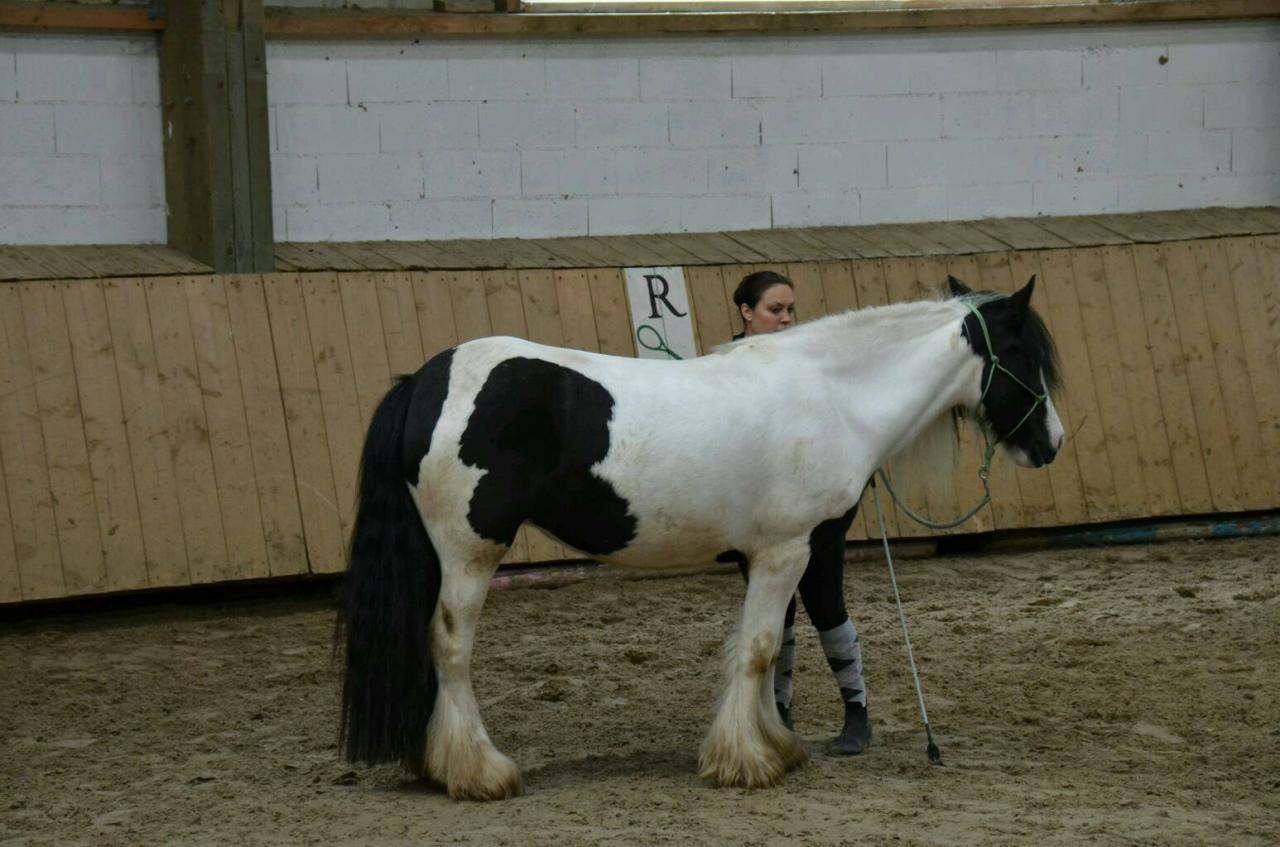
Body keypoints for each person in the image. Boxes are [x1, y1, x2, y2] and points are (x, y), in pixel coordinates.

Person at [728, 270, 872, 756]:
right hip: (757, 514)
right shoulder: (724, 365)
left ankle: (857, 712)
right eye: (776, 310)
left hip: (818, 510)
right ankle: (780, 712)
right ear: (747, 313)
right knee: (777, 613)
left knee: (826, 604)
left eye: (791, 310)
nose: (787, 319)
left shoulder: (814, 364)